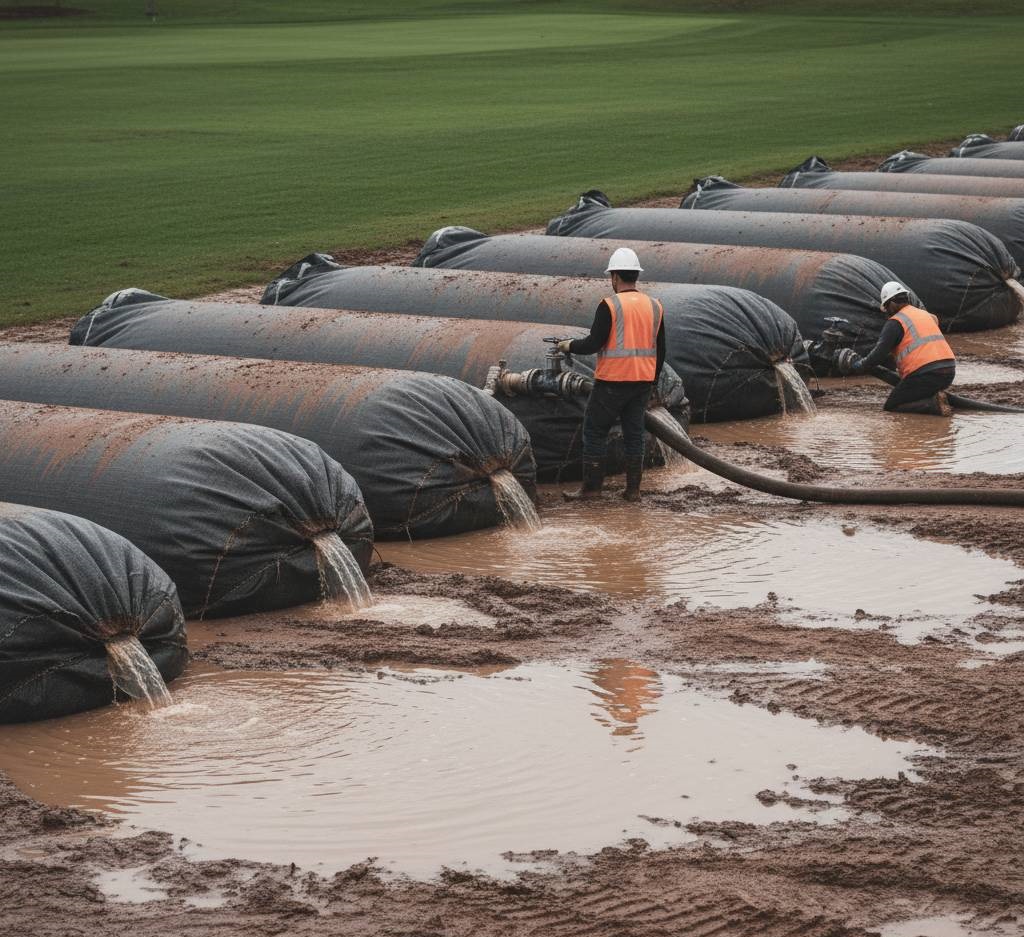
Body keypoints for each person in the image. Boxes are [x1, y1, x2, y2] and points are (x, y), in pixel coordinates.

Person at [556, 247, 666, 501]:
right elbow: (661, 350)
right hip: (642, 382)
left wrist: (568, 345)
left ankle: (592, 490)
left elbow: (594, 343)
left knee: (594, 432)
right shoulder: (655, 306)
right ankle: (633, 492)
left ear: (614, 276)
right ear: (635, 275)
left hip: (612, 382)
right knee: (634, 435)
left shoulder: (609, 305)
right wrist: (653, 382)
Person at [834, 281, 955, 415]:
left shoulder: (896, 322)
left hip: (926, 375)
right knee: (918, 392)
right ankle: (935, 399)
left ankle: (932, 405)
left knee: (892, 405)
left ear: (891, 303)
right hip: (948, 372)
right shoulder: (925, 315)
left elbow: (878, 355)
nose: (887, 313)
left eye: (886, 307)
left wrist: (859, 364)